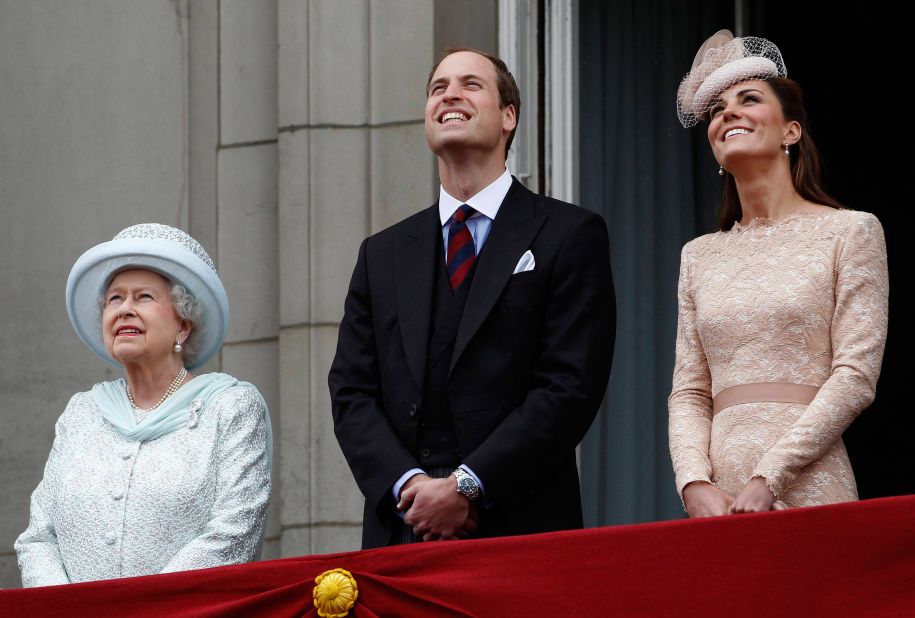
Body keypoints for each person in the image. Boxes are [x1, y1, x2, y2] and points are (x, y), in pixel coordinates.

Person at [328, 47, 614, 547]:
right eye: (438, 87)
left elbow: (569, 387)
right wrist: (411, 487)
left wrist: (468, 486)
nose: (450, 95)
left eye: (470, 84)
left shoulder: (569, 233)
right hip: (403, 529)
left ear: (509, 117)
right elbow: (352, 392)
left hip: (521, 526)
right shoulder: (382, 254)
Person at [668, 31, 889, 517]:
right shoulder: (698, 255)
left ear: (791, 131)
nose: (728, 112)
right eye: (717, 109)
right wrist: (694, 483)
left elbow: (855, 375)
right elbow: (689, 390)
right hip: (718, 498)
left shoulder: (850, 231)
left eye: (749, 99)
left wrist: (771, 475)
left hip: (810, 481)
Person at [15, 223, 272, 586]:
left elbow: (234, 531)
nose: (124, 310)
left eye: (144, 298)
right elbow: (38, 538)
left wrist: (144, 607)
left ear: (184, 325)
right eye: (115, 299)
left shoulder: (230, 407)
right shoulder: (81, 413)